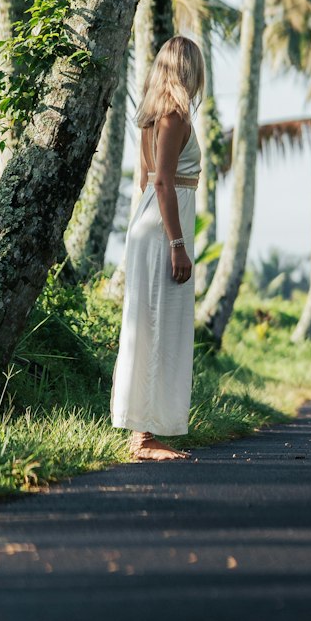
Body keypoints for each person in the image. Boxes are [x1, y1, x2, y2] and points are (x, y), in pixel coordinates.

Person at [111, 35, 204, 461]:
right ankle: (144, 439)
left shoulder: (154, 117)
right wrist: (178, 244)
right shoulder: (174, 118)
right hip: (163, 232)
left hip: (151, 228)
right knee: (156, 330)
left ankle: (146, 433)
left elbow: (149, 181)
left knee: (154, 328)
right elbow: (163, 182)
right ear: (188, 70)